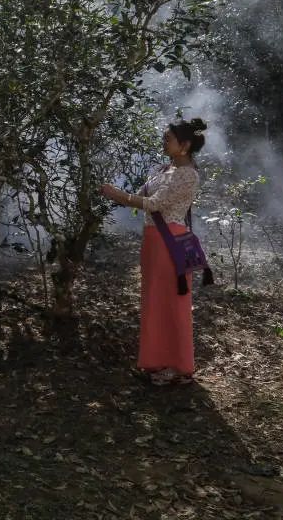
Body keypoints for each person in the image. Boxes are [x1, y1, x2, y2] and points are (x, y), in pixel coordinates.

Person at [101, 118, 207, 386]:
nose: (164, 142)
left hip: (169, 242)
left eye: (168, 139)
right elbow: (140, 197)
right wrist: (122, 196)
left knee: (171, 303)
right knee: (155, 301)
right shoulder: (164, 169)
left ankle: (178, 365)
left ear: (184, 145)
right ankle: (158, 360)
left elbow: (153, 204)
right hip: (154, 241)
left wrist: (117, 195)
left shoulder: (188, 175)